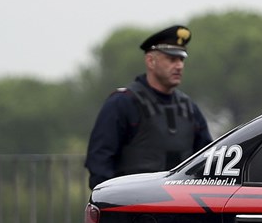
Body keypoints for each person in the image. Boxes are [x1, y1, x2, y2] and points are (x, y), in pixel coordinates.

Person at [84, 25, 212, 188]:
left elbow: (207, 160)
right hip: (135, 205)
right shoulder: (122, 103)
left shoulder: (189, 108)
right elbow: (99, 161)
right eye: (172, 59)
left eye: (181, 59)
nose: (179, 66)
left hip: (182, 206)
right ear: (151, 61)